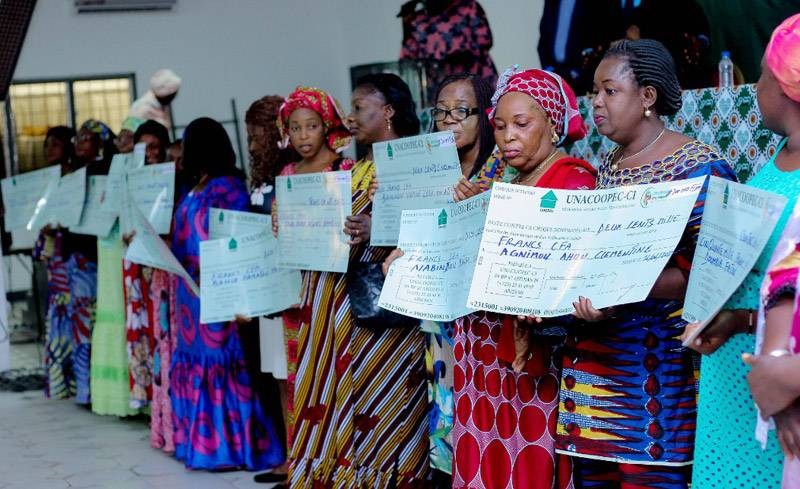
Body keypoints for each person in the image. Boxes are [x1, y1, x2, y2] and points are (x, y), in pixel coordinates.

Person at [560, 39, 737, 488]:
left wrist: (626, 284)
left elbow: (718, 277)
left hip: (657, 380)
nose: (596, 102)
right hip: (595, 379)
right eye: (594, 92)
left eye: (609, 90)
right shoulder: (609, 166)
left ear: (647, 97)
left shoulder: (698, 169)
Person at [446, 67, 596, 489]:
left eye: (521, 124)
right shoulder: (503, 184)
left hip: (533, 359)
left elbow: (571, 270)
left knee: (525, 456)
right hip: (485, 356)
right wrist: (469, 215)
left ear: (552, 124)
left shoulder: (573, 180)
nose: (507, 135)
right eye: (499, 125)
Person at [283, 75, 428, 487]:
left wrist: (378, 226)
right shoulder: (357, 168)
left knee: (389, 405)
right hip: (344, 310)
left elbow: (433, 226)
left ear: (388, 111)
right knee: (354, 401)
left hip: (391, 315)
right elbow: (331, 233)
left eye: (360, 105)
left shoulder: (415, 161)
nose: (350, 115)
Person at [687, 14, 800, 489]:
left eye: (762, 73)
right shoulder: (774, 161)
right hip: (733, 374)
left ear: (784, 83)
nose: (756, 85)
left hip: (784, 384)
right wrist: (733, 321)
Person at [170, 117, 283, 470]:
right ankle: (202, 444)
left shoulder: (227, 187)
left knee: (223, 364)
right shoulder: (196, 185)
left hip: (218, 289)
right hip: (191, 293)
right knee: (199, 361)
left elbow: (235, 239)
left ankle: (232, 448)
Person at [242, 94, 297, 485]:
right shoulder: (261, 179)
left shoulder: (292, 174)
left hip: (290, 288)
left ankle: (304, 455)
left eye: (257, 133)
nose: (252, 142)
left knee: (294, 376)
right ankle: (289, 453)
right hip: (266, 287)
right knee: (278, 376)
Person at [123, 119, 171, 410]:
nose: (150, 153)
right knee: (143, 330)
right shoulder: (130, 179)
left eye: (155, 146)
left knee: (162, 327)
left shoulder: (173, 176)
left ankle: (165, 398)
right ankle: (148, 398)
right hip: (138, 263)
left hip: (164, 265)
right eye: (144, 148)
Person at [35, 126, 76, 400]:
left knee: (75, 320)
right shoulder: (47, 184)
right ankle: (61, 383)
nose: (50, 149)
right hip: (56, 262)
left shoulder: (75, 179)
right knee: (59, 320)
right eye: (47, 145)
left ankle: (76, 383)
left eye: (56, 144)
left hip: (74, 261)